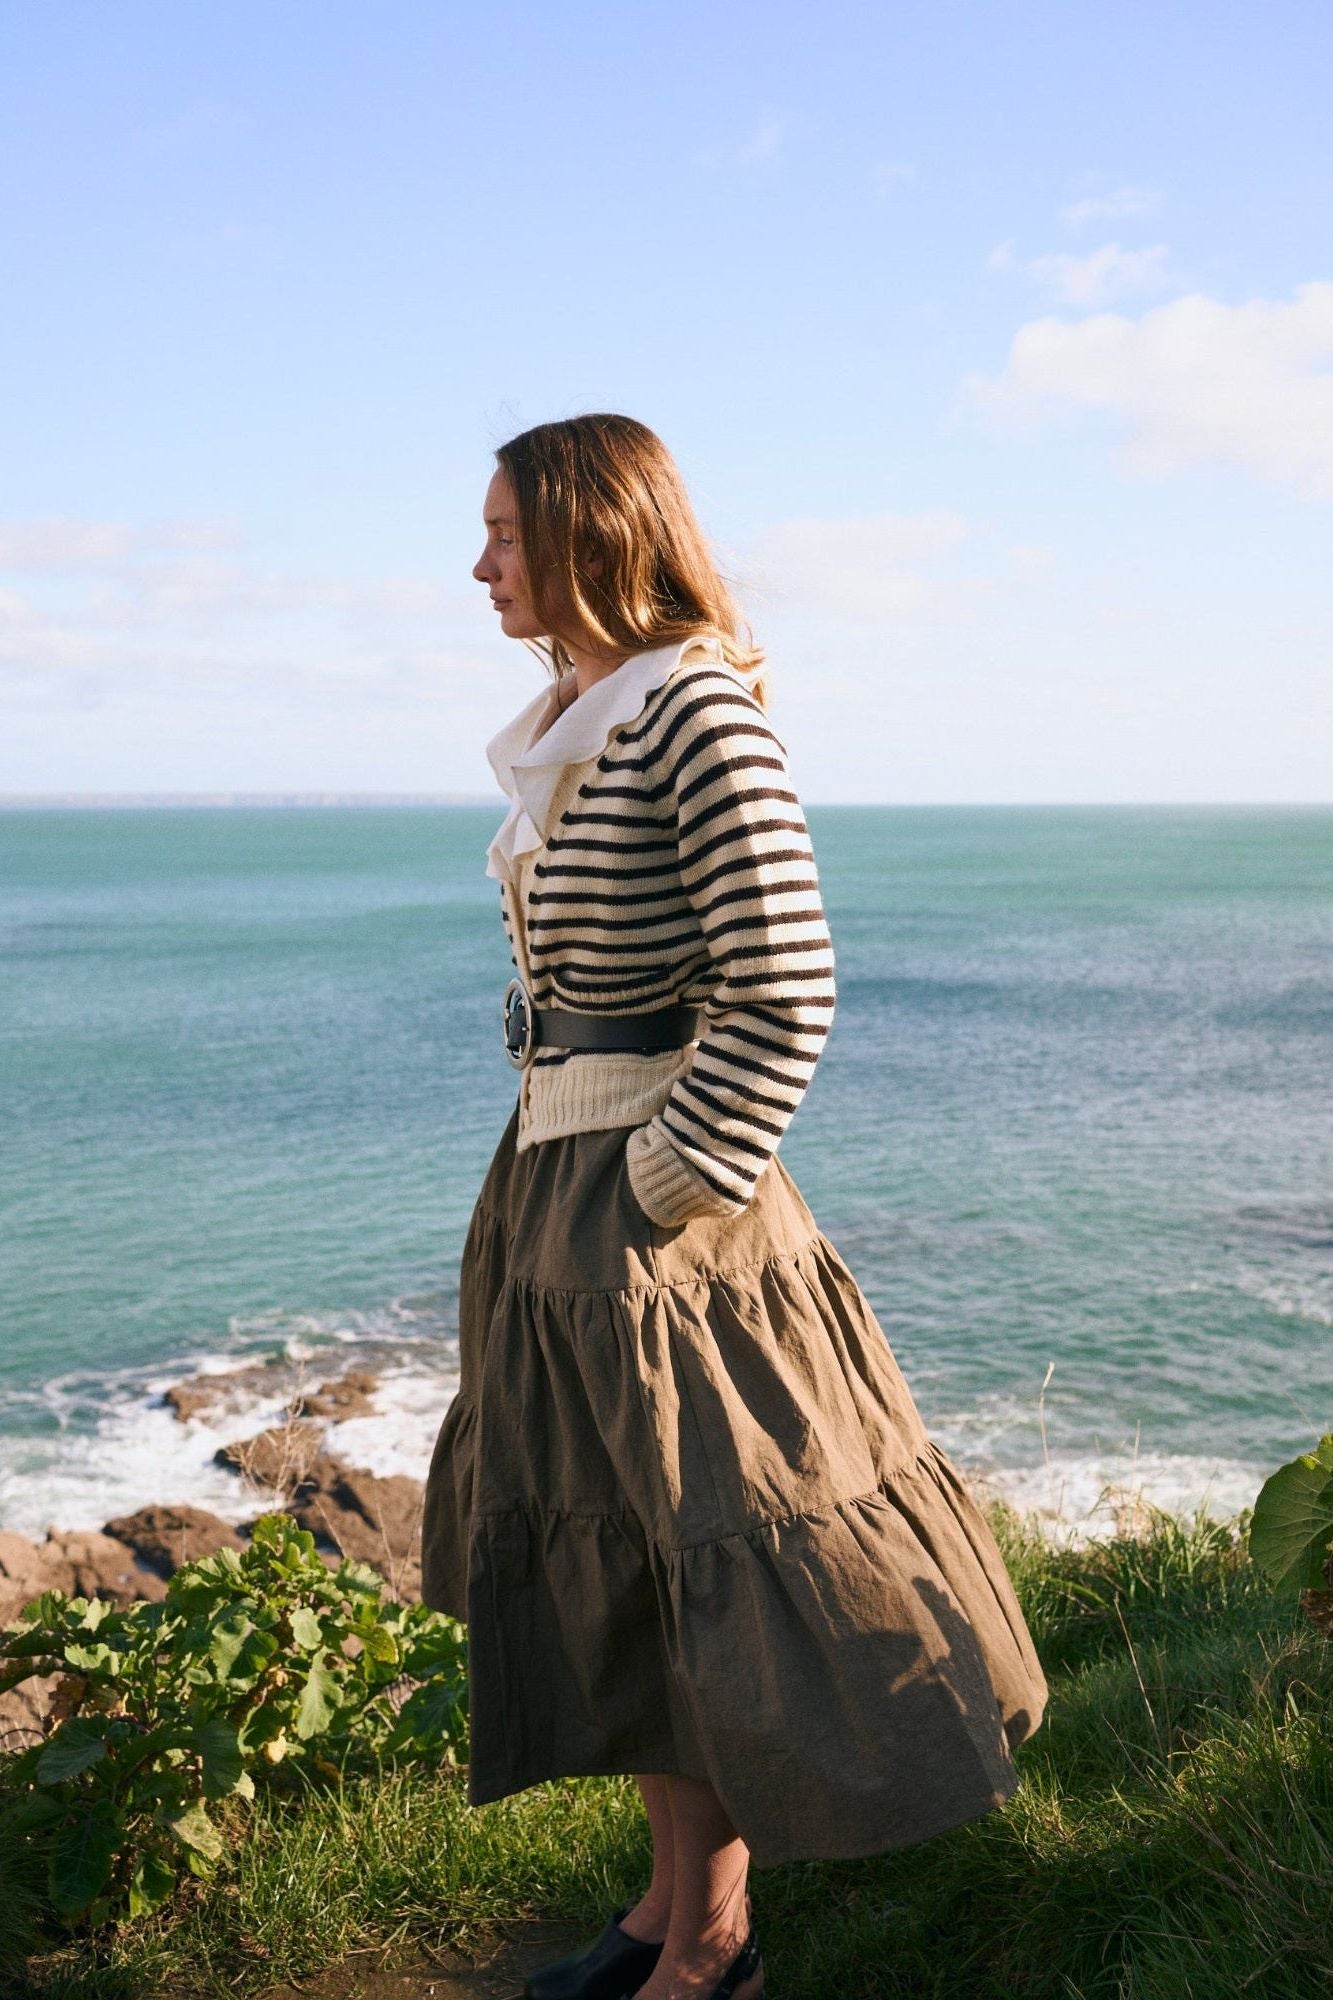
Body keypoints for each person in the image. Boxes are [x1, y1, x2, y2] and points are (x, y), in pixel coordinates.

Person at [421, 414, 1048, 2000]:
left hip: (660, 1221)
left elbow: (787, 984)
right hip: (556, 1189)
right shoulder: (582, 710)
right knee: (630, 1570)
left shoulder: (693, 708)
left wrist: (662, 1179)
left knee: (718, 1558)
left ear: (590, 533)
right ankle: (663, 1911)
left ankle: (712, 1952)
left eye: (504, 532)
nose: (477, 563)